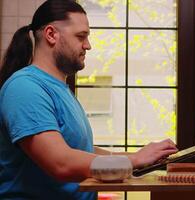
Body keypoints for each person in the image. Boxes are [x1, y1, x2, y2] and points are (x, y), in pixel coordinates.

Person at [0, 1, 178, 199]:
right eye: (80, 36)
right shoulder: (25, 88)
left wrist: (140, 157)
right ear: (51, 34)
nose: (88, 45)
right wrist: (134, 160)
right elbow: (61, 163)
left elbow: (79, 150)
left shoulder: (59, 89)